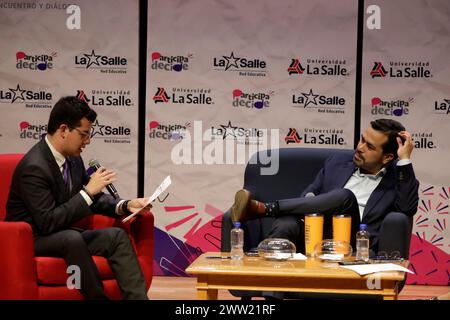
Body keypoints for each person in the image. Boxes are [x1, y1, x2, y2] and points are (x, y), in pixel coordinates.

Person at [6, 96, 151, 300]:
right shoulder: (34, 167)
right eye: (84, 134)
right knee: (71, 238)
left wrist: (126, 205)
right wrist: (88, 192)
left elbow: (92, 198)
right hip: (32, 238)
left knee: (116, 237)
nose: (88, 141)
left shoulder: (73, 159)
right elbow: (48, 222)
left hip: (64, 235)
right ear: (64, 130)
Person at [231, 118, 419, 255]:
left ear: (387, 157)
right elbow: (310, 193)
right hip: (315, 233)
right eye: (362, 140)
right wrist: (313, 203)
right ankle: (270, 290)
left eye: (369, 147)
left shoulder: (399, 180)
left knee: (345, 197)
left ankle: (265, 209)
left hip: (353, 244)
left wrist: (404, 161)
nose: (360, 147)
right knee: (286, 224)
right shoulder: (337, 163)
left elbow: (406, 208)